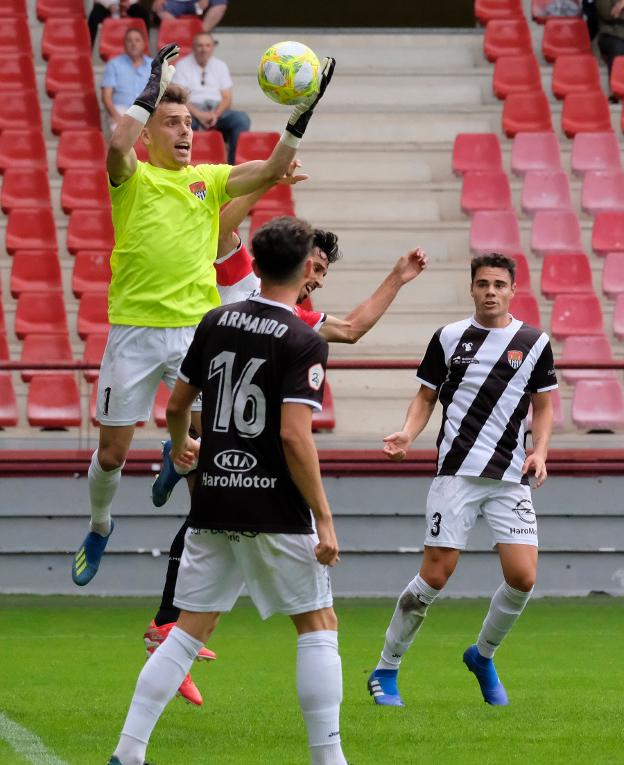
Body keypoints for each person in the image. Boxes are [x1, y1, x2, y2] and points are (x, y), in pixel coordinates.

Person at [145, 187, 427, 705]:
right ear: (294, 261)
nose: (317, 278)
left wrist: (398, 278)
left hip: (226, 436)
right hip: (219, 424)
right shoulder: (245, 279)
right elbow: (220, 224)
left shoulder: (296, 321)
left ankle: (168, 634)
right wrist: (266, 172)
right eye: (314, 266)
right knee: (312, 618)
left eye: (323, 272)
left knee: (207, 527)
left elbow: (354, 327)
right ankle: (167, 627)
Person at [71, 43, 336, 588]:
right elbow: (117, 142)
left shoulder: (208, 179)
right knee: (113, 452)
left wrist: (299, 116)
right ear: (150, 134)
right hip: (136, 332)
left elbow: (277, 168)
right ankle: (100, 525)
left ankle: (202, 527)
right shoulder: (135, 180)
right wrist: (151, 86)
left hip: (197, 331)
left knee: (214, 441)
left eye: (189, 123)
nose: (185, 132)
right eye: (171, 123)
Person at [107, 216, 348, 765]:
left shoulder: (216, 320)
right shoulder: (304, 338)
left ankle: (129, 750)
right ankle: (328, 757)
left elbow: (175, 407)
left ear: (256, 265)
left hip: (213, 496)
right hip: (275, 503)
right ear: (308, 267)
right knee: (318, 623)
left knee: (189, 629)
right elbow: (293, 434)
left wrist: (181, 445)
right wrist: (326, 518)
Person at [367, 253, 557, 708]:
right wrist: (408, 434)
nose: (490, 291)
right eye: (482, 283)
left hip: (510, 478)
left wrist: (541, 452)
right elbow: (425, 396)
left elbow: (545, 403)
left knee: (523, 577)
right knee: (435, 576)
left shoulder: (533, 341)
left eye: (499, 284)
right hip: (455, 474)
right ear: (471, 288)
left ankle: (482, 655)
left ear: (513, 290)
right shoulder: (449, 337)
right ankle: (386, 668)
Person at [172, 31, 250, 164]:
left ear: (212, 47)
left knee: (241, 119)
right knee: (184, 124)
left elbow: (227, 98)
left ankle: (233, 168)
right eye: (200, 45)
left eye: (207, 45)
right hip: (191, 110)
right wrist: (200, 115)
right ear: (193, 46)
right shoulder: (182, 65)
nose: (204, 49)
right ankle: (185, 164)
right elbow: (180, 99)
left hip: (216, 110)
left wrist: (215, 114)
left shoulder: (220, 65)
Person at [101, 28, 152, 133]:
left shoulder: (154, 65)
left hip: (148, 111)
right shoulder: (114, 64)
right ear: (124, 45)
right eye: (129, 41)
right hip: (121, 110)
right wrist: (116, 117)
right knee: (121, 135)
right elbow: (106, 97)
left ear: (144, 44)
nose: (133, 44)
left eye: (137, 40)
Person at [597, 0, 624, 97]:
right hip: (609, 34)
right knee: (617, 46)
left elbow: (617, 14)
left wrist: (621, 5)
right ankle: (616, 90)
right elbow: (608, 14)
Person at [152, 0, 228, 30]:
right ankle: (181, 33)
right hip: (174, 2)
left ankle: (201, 34)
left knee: (220, 2)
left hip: (197, 2)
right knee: (159, 7)